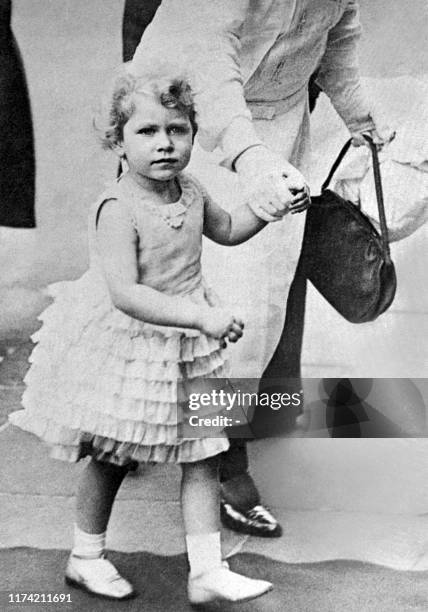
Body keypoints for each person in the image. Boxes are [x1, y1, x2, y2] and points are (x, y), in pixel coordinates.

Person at [7, 66, 301, 603]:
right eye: (147, 132)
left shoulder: (190, 189)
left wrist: (268, 206)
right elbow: (126, 292)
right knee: (114, 455)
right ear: (116, 141)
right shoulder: (118, 207)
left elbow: (229, 229)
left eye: (178, 130)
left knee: (205, 450)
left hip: (189, 343)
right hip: (133, 345)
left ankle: (206, 569)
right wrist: (200, 317)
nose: (165, 144)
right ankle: (85, 557)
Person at [129, 0, 394, 536]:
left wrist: (357, 110)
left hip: (276, 120)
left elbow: (337, 33)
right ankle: (130, 426)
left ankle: (222, 450)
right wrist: (248, 156)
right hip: (184, 118)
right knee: (162, 281)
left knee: (258, 302)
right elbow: (207, 59)